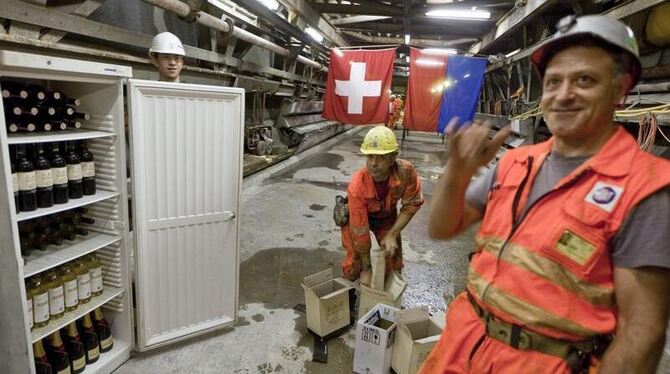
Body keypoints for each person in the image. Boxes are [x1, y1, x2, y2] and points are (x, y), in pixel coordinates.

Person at [421, 15, 670, 374]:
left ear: (620, 89)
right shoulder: (516, 163)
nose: (563, 94)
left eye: (584, 80)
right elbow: (441, 228)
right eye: (554, 82)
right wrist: (456, 174)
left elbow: (641, 335)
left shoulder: (644, 189)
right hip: (462, 345)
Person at [341, 126, 424, 285]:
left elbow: (412, 204)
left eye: (380, 157)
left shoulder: (406, 172)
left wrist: (393, 233)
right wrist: (366, 267)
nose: (373, 164)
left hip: (386, 217)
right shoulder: (357, 187)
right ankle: (348, 295)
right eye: (370, 157)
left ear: (392, 159)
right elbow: (361, 233)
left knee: (393, 261)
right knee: (354, 263)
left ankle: (387, 298)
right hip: (356, 217)